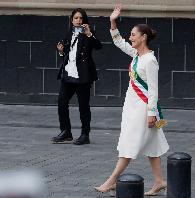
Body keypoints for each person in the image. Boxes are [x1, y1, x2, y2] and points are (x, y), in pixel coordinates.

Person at [94, 5, 169, 196]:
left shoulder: (150, 60)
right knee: (152, 145)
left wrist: (152, 113)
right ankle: (159, 180)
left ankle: (111, 181)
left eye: (134, 35)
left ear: (143, 37)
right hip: (133, 106)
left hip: (142, 110)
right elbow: (119, 42)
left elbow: (153, 90)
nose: (131, 37)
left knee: (129, 143)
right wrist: (113, 22)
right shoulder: (137, 55)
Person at [51, 8, 102, 145]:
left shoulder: (88, 34)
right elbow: (68, 54)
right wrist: (61, 52)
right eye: (76, 18)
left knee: (83, 105)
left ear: (84, 20)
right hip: (68, 73)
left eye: (81, 18)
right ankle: (66, 131)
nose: (78, 20)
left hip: (83, 75)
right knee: (62, 102)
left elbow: (98, 46)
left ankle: (85, 134)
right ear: (72, 20)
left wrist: (90, 34)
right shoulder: (68, 33)